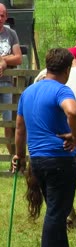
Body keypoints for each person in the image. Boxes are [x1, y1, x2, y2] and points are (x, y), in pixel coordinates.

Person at [12, 48, 76, 247]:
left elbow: (20, 128)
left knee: (56, 207)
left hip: (38, 160)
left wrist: (19, 155)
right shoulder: (62, 90)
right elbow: (74, 112)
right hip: (59, 158)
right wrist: (75, 136)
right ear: (67, 69)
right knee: (57, 210)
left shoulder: (28, 93)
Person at [0, 3, 22, 157]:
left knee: (9, 124)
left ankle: (13, 161)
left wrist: (3, 60)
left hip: (6, 82)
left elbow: (19, 58)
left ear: (6, 17)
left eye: (2, 15)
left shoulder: (11, 33)